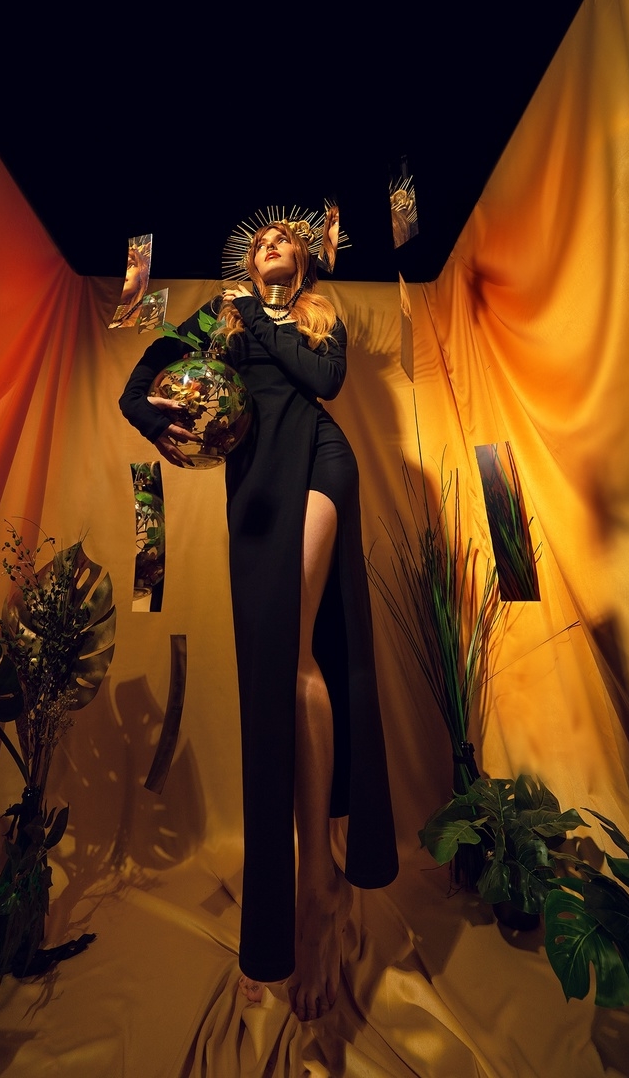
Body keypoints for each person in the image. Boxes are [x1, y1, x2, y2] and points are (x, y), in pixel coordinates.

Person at [119, 208, 398, 1022]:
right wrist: (160, 424)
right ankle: (297, 898)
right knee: (274, 671)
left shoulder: (315, 314)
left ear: (302, 263)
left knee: (299, 654)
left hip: (319, 460)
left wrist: (260, 317)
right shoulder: (220, 315)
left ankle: (316, 894)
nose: (272, 243)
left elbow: (324, 382)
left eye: (286, 241)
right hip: (254, 490)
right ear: (249, 261)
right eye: (263, 241)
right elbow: (141, 383)